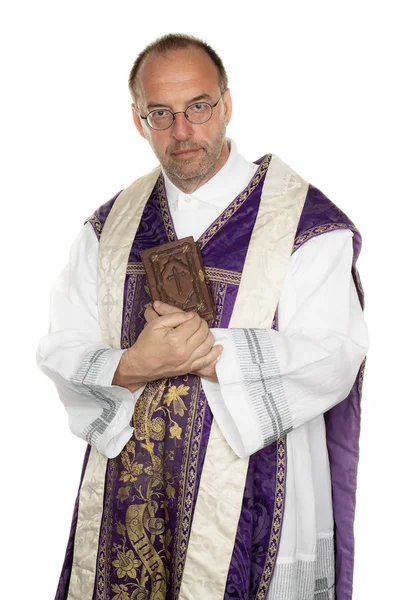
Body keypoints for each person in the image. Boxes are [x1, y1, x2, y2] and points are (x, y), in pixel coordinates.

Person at [37, 33, 369, 600]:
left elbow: (336, 354)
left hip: (261, 502)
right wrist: (132, 365)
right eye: (160, 113)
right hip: (131, 497)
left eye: (198, 106)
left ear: (226, 104)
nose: (182, 130)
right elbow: (60, 345)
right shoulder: (107, 229)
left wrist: (212, 354)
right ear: (138, 120)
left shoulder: (304, 223)